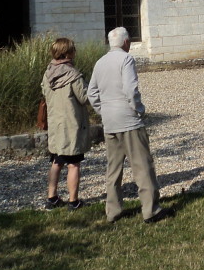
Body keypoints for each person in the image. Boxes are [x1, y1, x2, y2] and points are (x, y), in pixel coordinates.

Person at [88, 27, 170, 224]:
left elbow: (92, 93)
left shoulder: (100, 62)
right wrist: (139, 109)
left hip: (109, 121)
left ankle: (113, 211)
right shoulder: (126, 59)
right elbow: (130, 89)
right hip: (128, 120)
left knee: (113, 168)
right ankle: (151, 210)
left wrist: (103, 110)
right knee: (142, 165)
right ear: (126, 42)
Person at [41, 37, 91, 210]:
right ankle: (73, 201)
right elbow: (84, 97)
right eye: (73, 49)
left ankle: (52, 197)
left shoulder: (48, 73)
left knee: (56, 161)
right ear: (68, 52)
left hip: (55, 124)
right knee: (73, 163)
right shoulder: (73, 75)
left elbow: (45, 93)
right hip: (71, 124)